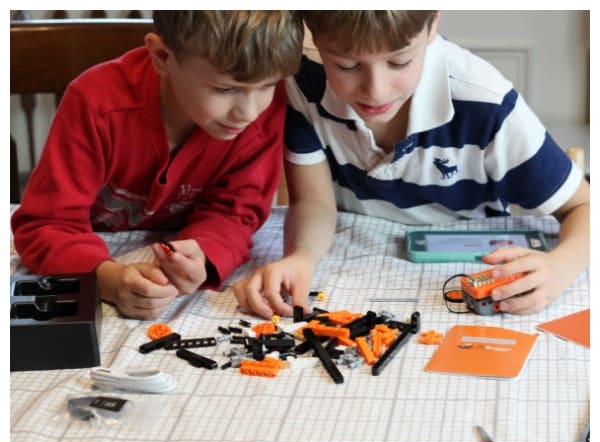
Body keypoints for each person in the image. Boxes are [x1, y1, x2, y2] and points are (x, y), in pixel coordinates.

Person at [234, 11, 590, 319]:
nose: (376, 90)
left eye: (399, 62)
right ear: (311, 31)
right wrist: (301, 258)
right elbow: (313, 203)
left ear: (432, 25)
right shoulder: (301, 81)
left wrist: (560, 268)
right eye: (347, 65)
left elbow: (586, 206)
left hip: (471, 271)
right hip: (352, 265)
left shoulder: (485, 100)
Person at [12, 11, 304, 320]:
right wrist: (105, 279)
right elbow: (46, 225)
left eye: (267, 85)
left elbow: (234, 214)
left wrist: (204, 255)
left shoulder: (265, 114)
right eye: (225, 89)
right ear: (162, 56)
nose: (248, 112)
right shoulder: (95, 104)